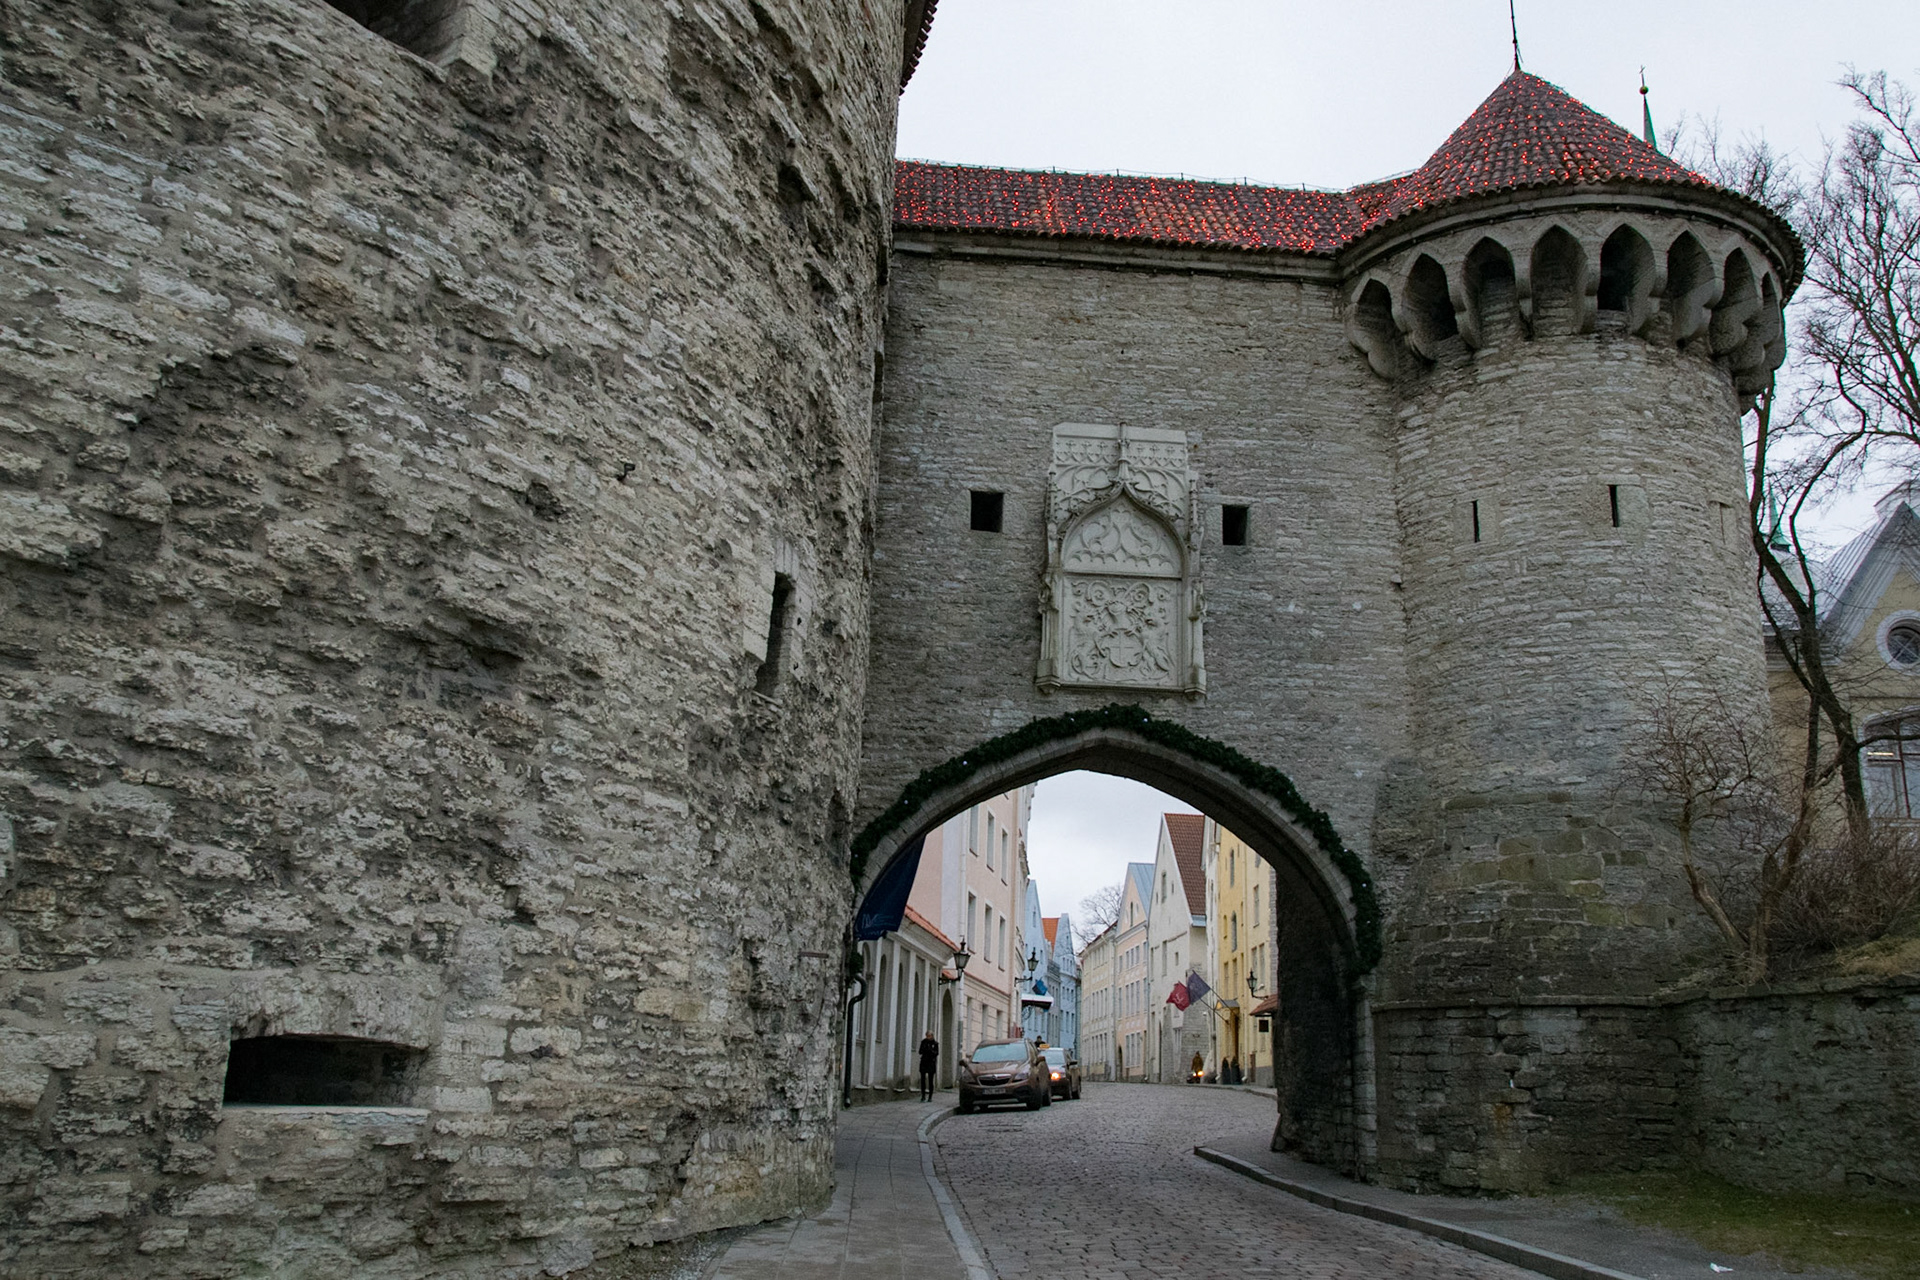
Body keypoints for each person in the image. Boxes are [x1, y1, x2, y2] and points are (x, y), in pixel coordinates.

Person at [916, 1030, 939, 1102]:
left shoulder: (935, 1043)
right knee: (923, 1080)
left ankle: (930, 1096)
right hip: (924, 1062)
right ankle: (923, 1096)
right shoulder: (923, 1042)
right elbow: (920, 1051)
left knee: (930, 1080)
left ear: (932, 1036)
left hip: (931, 1063)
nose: (928, 1037)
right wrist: (925, 1050)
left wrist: (931, 1051)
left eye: (929, 1036)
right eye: (927, 1036)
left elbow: (936, 1053)